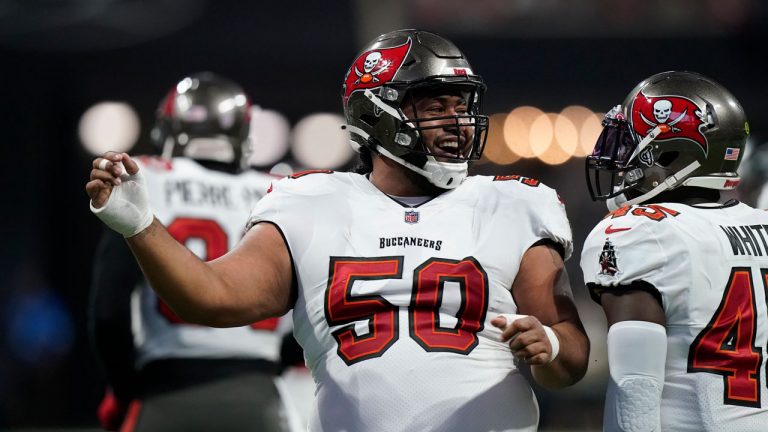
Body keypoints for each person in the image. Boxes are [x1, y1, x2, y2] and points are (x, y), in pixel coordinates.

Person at [87, 29, 590, 432]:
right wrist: (140, 226)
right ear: (378, 114)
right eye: (435, 107)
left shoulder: (515, 203)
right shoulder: (310, 203)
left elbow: (570, 353)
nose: (456, 121)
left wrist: (550, 345)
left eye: (461, 105)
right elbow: (210, 298)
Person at [88, 72, 294, 432]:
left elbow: (108, 312)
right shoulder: (282, 191)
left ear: (168, 129)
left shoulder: (147, 178)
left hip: (168, 395)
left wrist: (122, 390)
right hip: (257, 396)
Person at [582, 71, 768, 431]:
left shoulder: (643, 231)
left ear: (669, 154)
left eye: (631, 142)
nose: (621, 156)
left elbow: (635, 384)